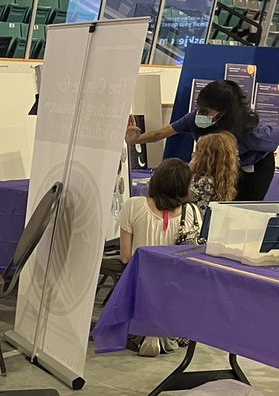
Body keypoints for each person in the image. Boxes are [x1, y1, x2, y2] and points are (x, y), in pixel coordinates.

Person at [126, 80, 279, 201]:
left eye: (205, 111)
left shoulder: (251, 130)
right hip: (219, 168)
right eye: (199, 108)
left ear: (222, 112)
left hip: (253, 170)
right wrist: (136, 140)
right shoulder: (195, 118)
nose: (200, 114)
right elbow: (161, 133)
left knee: (241, 208)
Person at [118, 159, 202, 357]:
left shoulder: (133, 205)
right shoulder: (192, 212)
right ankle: (166, 330)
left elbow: (125, 256)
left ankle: (143, 327)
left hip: (140, 284)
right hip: (174, 287)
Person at [189, 131, 239, 212]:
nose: (193, 154)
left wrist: (190, 166)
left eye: (198, 152)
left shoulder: (203, 181)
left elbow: (178, 199)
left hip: (195, 218)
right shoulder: (222, 179)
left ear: (207, 158)